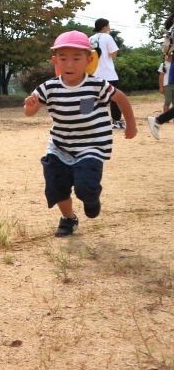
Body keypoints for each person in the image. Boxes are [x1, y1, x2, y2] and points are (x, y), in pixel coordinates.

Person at [24, 30, 137, 237]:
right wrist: (30, 106)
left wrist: (131, 124)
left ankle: (92, 199)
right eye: (63, 58)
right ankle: (69, 219)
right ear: (55, 60)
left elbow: (121, 99)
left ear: (89, 59)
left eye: (76, 58)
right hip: (60, 147)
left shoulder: (97, 85)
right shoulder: (49, 88)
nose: (69, 64)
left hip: (92, 146)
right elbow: (30, 112)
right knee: (55, 186)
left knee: (85, 187)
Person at [88, 18, 123, 129]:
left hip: (92, 73)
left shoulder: (90, 39)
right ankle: (116, 121)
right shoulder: (107, 37)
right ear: (104, 27)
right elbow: (113, 54)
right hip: (108, 73)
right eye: (108, 25)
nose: (109, 27)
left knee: (89, 97)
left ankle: (86, 121)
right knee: (115, 98)